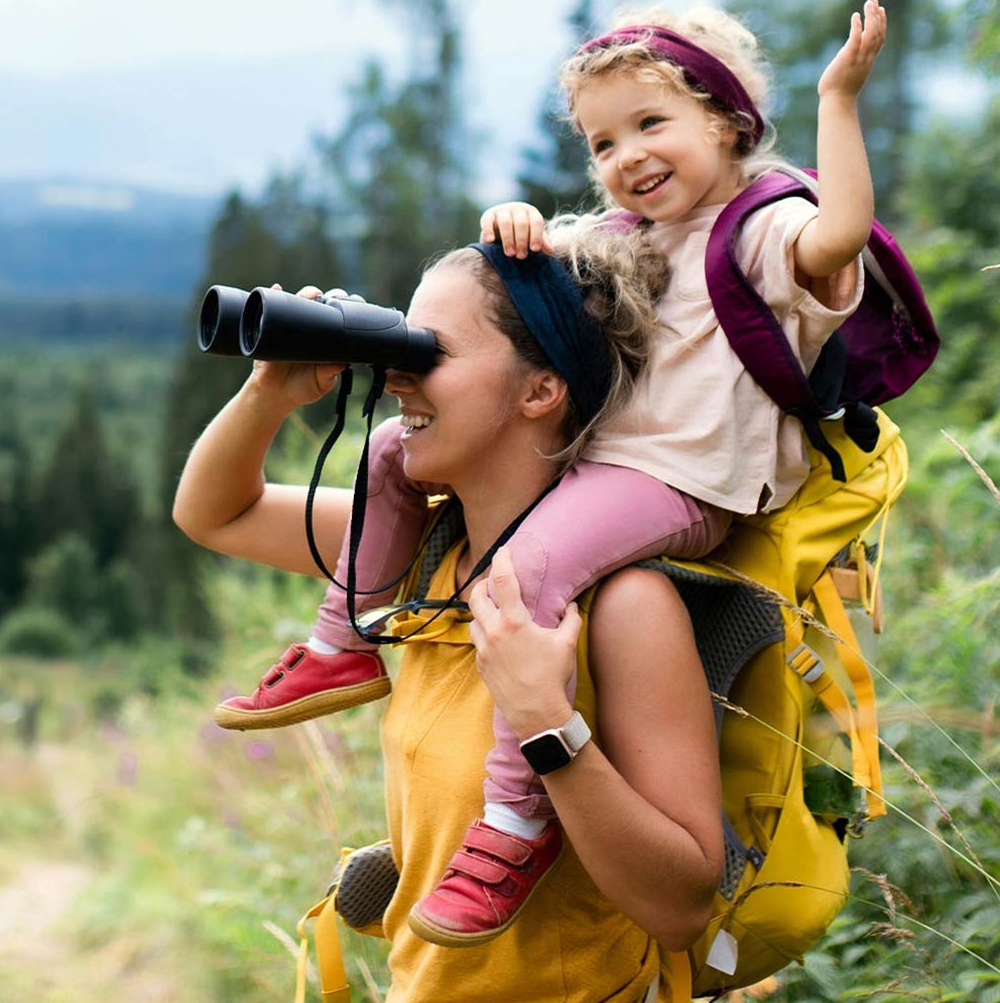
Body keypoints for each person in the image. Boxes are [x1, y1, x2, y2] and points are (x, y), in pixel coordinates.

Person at [211, 0, 891, 945]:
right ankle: (346, 642)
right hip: (603, 473)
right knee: (386, 453)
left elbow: (841, 237)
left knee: (523, 573)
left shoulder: (760, 232)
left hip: (684, 483)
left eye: (652, 123)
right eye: (602, 140)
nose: (628, 156)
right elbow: (521, 288)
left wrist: (841, 102)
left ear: (731, 121)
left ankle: (515, 820)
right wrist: (521, 221)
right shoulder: (627, 235)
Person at [173, 237, 723, 1000]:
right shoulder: (427, 549)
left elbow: (682, 908)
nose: (397, 374)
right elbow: (215, 514)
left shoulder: (624, 606)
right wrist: (271, 392)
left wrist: (548, 725)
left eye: (431, 352)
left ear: (540, 391)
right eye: (401, 341)